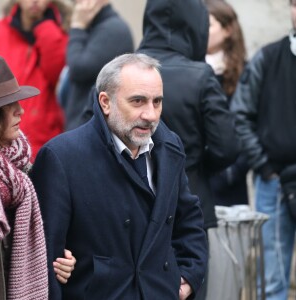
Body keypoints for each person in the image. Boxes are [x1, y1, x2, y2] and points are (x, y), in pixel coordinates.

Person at [31, 53, 208, 300]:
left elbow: (188, 220)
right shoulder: (62, 157)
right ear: (105, 102)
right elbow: (45, 258)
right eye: (138, 101)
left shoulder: (169, 148)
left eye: (157, 102)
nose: (151, 114)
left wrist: (189, 276)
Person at [137, 0, 240, 298]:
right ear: (196, 25)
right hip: (190, 201)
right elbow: (228, 146)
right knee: (190, 287)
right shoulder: (200, 74)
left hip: (132, 203)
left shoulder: (124, 71)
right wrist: (194, 165)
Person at [231, 0, 296, 299]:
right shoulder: (269, 58)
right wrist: (265, 168)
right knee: (273, 281)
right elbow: (240, 115)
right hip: (275, 182)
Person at [0, 56, 76, 300]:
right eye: (9, 105)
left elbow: (47, 235)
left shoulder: (22, 169)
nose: (21, 110)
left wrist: (60, 260)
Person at [0, 0, 68, 160]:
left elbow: (57, 75)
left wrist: (46, 28)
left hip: (45, 139)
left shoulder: (62, 33)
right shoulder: (0, 31)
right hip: (2, 138)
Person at [62, 0, 134, 130]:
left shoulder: (113, 29)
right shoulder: (94, 26)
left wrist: (77, 27)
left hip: (93, 129)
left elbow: (78, 69)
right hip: (84, 125)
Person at [205, 0, 249, 206]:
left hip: (232, 179)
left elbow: (250, 124)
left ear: (228, 29)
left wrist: (233, 171)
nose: (202, 30)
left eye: (209, 24)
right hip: (200, 177)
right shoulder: (192, 69)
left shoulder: (245, 72)